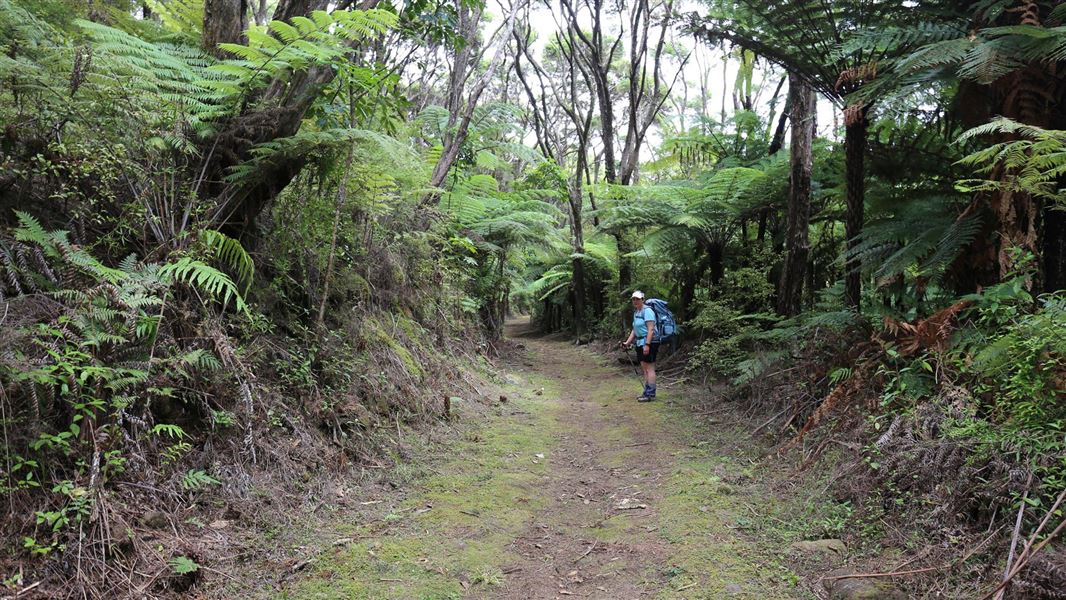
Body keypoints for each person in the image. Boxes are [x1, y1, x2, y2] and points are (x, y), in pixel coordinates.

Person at [621, 290, 658, 401]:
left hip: (650, 342)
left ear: (643, 299)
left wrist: (647, 344)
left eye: (638, 299)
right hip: (640, 342)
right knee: (644, 368)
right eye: (633, 299)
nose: (635, 301)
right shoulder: (637, 312)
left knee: (649, 368)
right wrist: (627, 342)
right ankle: (646, 392)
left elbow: (651, 329)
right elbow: (635, 329)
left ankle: (650, 394)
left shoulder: (648, 311)